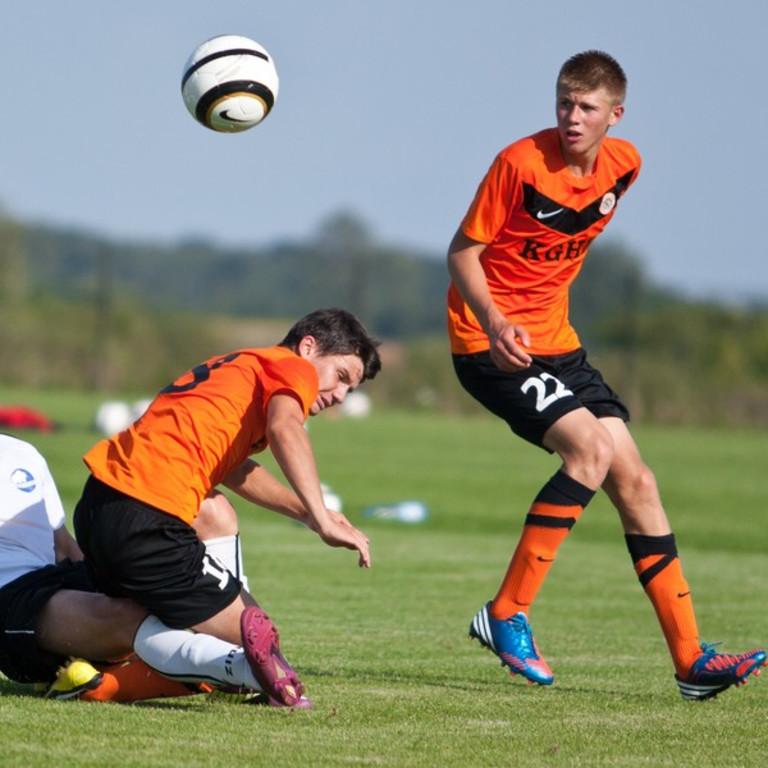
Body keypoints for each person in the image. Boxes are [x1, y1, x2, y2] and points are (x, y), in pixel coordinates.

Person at [446, 50, 766, 700]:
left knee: (638, 481)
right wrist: (498, 319)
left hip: (560, 347)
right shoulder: (519, 164)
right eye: (564, 101)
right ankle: (506, 613)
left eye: (587, 106)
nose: (571, 115)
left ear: (614, 115)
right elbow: (462, 253)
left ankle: (690, 662)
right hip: (490, 343)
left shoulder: (626, 166)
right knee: (589, 450)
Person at [73, 308, 381, 707]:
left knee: (216, 516)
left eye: (350, 390)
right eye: (341, 377)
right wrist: (322, 516)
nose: (340, 395)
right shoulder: (292, 367)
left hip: (99, 505)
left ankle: (102, 676)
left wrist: (306, 513)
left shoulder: (242, 367)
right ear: (309, 346)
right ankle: (253, 677)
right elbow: (285, 428)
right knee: (257, 644)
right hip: (147, 514)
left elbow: (233, 468)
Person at [0, 432, 298, 705]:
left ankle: (230, 657)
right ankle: (248, 671)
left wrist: (119, 582)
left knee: (209, 512)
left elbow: (62, 544)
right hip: (12, 600)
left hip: (57, 580)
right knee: (127, 615)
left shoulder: (22, 453)